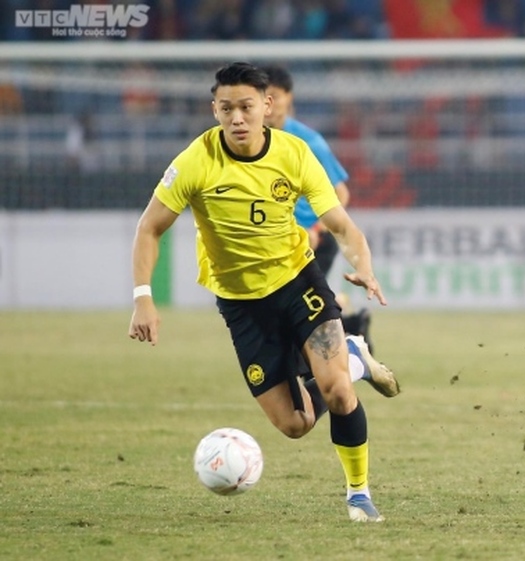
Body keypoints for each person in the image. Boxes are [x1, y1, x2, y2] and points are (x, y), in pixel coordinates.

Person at [128, 62, 398, 523]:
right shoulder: (195, 161)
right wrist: (142, 297)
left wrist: (365, 268)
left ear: (266, 106)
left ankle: (358, 494)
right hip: (241, 304)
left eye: (246, 107)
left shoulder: (294, 153)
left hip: (298, 283)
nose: (237, 118)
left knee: (335, 393)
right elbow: (150, 227)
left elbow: (340, 224)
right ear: (214, 110)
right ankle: (354, 357)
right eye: (227, 108)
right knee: (295, 425)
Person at [261, 65, 376, 353]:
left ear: (289, 97)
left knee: (299, 309)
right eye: (264, 98)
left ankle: (324, 367)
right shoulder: (252, 142)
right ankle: (351, 324)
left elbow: (341, 193)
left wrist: (315, 229)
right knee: (301, 305)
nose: (270, 106)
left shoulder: (309, 142)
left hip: (314, 239)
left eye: (275, 97)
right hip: (278, 239)